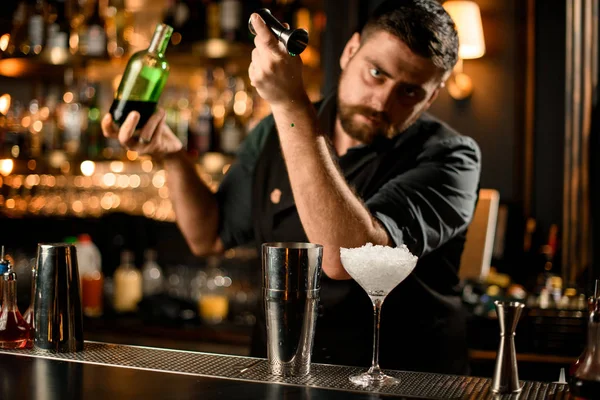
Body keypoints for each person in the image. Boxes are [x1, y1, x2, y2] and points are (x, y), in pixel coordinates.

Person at [101, 0, 481, 375]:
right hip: (283, 375)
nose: (383, 100)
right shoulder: (272, 133)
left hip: (402, 385)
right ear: (350, 52)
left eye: (410, 92)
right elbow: (209, 237)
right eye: (377, 73)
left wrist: (289, 104)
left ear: (431, 96)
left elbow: (344, 259)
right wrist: (172, 156)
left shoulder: (452, 159)